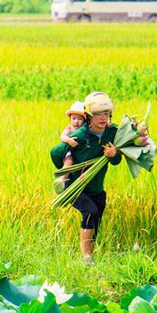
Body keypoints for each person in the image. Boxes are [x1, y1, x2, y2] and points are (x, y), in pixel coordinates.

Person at [50, 91, 122, 265]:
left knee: (96, 216)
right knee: (90, 212)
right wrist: (67, 150)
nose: (102, 118)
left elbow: (117, 161)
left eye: (105, 113)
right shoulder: (80, 136)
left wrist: (113, 154)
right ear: (89, 116)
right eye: (97, 114)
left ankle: (91, 256)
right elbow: (55, 153)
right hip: (75, 186)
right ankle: (86, 257)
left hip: (96, 187)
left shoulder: (112, 132)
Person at [54, 101, 86, 193]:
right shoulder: (69, 129)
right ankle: (62, 181)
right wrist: (69, 140)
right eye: (74, 118)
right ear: (70, 119)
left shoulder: (85, 129)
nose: (76, 121)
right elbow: (62, 137)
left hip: (81, 153)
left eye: (79, 119)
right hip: (70, 153)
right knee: (68, 162)